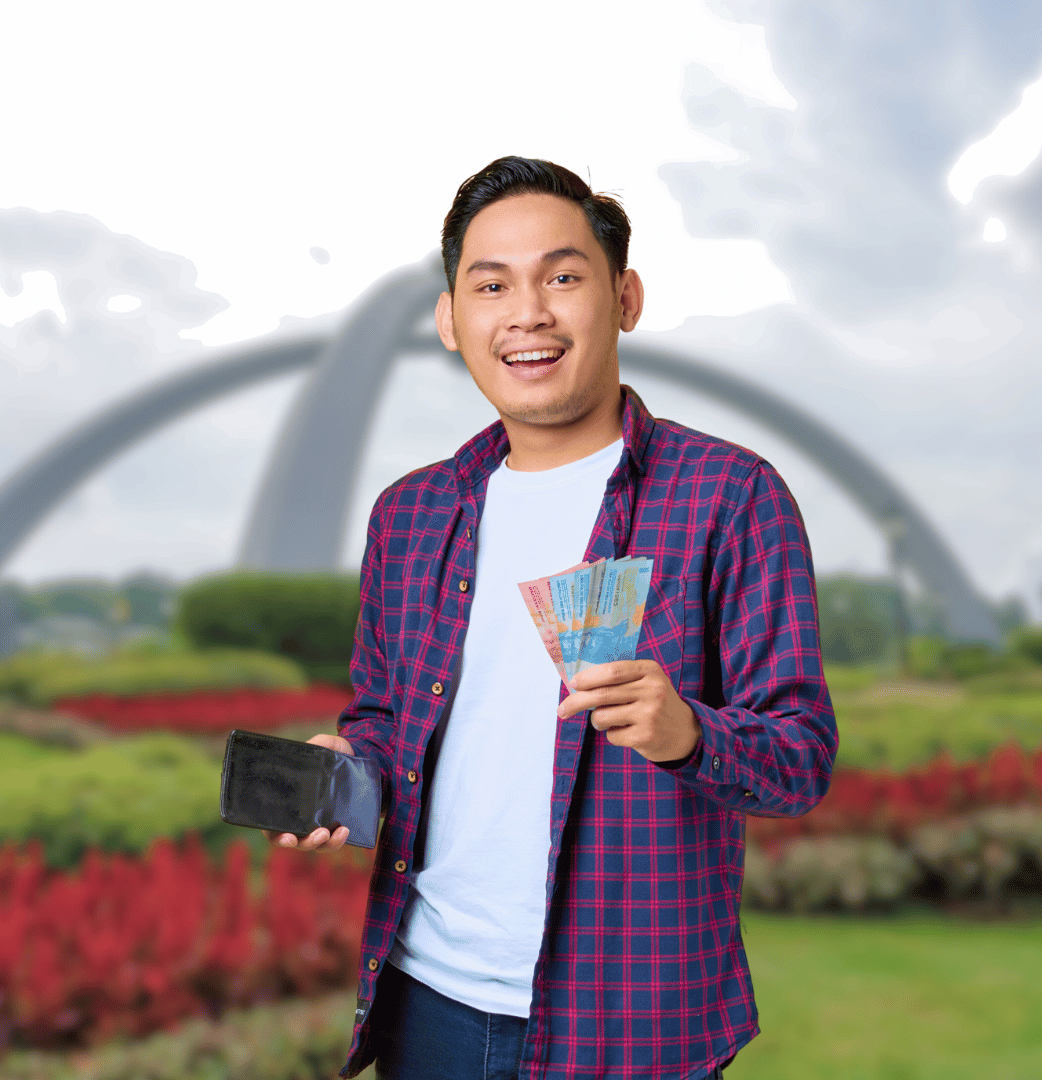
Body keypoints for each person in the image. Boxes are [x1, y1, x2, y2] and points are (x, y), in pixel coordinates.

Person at [271, 156, 837, 1080]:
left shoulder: (730, 496)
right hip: (428, 1002)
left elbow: (800, 757)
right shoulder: (410, 514)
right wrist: (345, 771)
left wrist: (687, 733)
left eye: (563, 278)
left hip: (632, 1017)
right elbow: (383, 720)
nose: (527, 313)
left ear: (625, 298)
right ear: (450, 321)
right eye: (491, 285)